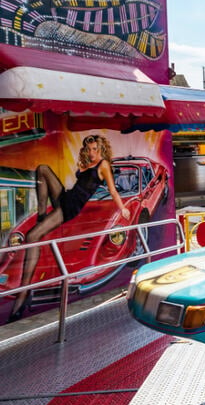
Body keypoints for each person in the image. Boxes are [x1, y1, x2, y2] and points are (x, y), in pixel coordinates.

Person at [7, 134, 129, 322]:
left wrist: (123, 209)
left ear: (101, 149)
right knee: (43, 169)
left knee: (32, 237)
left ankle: (22, 296)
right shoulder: (88, 163)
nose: (91, 153)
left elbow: (112, 190)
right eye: (89, 149)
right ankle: (41, 216)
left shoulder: (103, 165)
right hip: (66, 198)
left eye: (95, 149)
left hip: (70, 207)